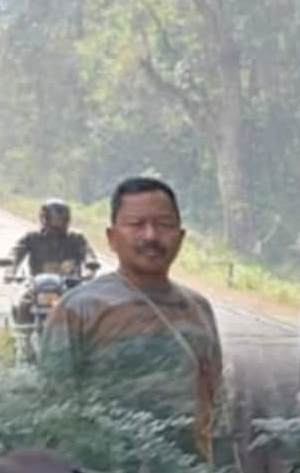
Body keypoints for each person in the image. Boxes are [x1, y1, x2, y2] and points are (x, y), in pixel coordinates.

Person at [40, 176, 225, 457]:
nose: (151, 236)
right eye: (136, 225)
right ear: (112, 238)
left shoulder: (198, 308)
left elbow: (214, 398)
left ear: (181, 236)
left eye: (163, 225)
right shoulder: (79, 309)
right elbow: (53, 410)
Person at [6, 200, 99, 325]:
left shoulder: (76, 238)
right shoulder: (32, 237)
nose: (58, 224)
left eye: (61, 219)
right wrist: (10, 270)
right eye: (54, 219)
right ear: (44, 219)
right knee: (22, 305)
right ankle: (22, 339)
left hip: (71, 286)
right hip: (38, 287)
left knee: (91, 309)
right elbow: (16, 252)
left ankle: (91, 341)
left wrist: (90, 268)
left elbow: (88, 254)